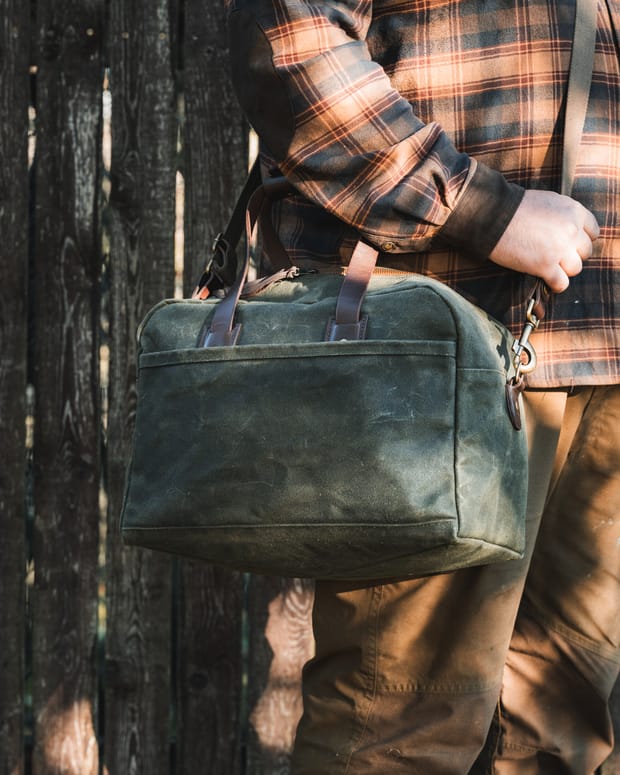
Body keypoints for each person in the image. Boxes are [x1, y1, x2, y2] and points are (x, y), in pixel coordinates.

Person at [226, 0, 620, 771]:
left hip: (604, 341)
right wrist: (484, 209)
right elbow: (291, 40)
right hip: (444, 347)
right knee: (395, 727)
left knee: (563, 726)